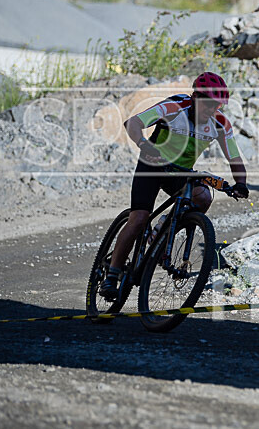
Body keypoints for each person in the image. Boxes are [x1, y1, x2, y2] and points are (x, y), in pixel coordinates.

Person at [99, 72, 249, 300]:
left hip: (181, 172)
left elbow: (235, 159)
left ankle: (163, 232)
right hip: (153, 164)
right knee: (139, 219)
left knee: (203, 198)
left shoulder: (219, 123)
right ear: (196, 97)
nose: (212, 110)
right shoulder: (175, 106)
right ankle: (112, 274)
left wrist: (240, 183)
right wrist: (143, 144)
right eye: (208, 104)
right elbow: (133, 123)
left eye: (217, 105)